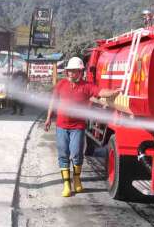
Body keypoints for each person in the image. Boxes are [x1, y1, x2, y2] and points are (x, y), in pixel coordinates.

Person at [44, 57, 120, 197]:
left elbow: (101, 92)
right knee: (63, 153)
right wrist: (48, 118)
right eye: (69, 71)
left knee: (77, 153)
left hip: (77, 127)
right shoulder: (61, 84)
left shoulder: (87, 86)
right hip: (61, 125)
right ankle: (67, 184)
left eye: (73, 71)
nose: (70, 74)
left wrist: (114, 92)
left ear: (80, 72)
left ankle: (77, 179)